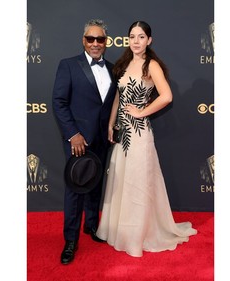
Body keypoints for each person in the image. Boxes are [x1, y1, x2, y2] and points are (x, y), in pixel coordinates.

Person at [96, 21, 197, 257]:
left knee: (138, 184)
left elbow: (167, 96)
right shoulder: (124, 64)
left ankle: (138, 236)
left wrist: (141, 111)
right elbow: (119, 98)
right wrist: (112, 123)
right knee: (123, 182)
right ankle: (120, 231)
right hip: (123, 135)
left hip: (140, 134)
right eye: (132, 36)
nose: (136, 41)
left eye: (141, 37)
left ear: (149, 40)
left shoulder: (152, 65)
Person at [52, 19, 117, 265]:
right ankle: (70, 239)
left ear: (106, 42)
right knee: (75, 190)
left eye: (100, 39)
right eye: (90, 39)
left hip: (102, 138)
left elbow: (111, 106)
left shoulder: (113, 69)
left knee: (95, 186)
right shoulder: (68, 65)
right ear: (83, 41)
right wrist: (73, 134)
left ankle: (92, 226)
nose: (95, 43)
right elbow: (59, 102)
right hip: (77, 140)